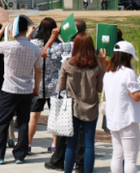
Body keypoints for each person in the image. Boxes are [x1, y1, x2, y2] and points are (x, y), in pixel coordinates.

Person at [0, 15, 41, 164]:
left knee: (2, 122)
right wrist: (36, 88)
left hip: (9, 89)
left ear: (13, 29)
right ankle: (19, 155)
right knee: (23, 122)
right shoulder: (35, 49)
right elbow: (38, 71)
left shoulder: (8, 45)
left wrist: (2, 30)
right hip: (27, 90)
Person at [104, 41, 140, 173]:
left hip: (113, 119)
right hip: (127, 119)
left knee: (117, 154)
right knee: (130, 158)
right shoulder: (128, 72)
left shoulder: (108, 73)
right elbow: (136, 96)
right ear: (127, 57)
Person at [57, 32, 106, 173]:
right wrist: (102, 63)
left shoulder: (67, 63)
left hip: (71, 108)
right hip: (91, 108)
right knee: (89, 144)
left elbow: (60, 87)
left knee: (71, 145)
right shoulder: (96, 66)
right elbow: (100, 88)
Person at [46, 19, 87, 172]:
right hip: (84, 94)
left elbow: (45, 53)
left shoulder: (64, 46)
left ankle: (57, 160)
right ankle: (81, 164)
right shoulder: (89, 47)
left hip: (65, 93)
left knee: (64, 128)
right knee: (82, 131)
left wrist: (53, 37)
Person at [29, 17, 63, 154]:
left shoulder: (33, 43)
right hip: (54, 85)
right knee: (54, 115)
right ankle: (55, 144)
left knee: (33, 116)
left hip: (36, 85)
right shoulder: (58, 44)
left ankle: (28, 143)